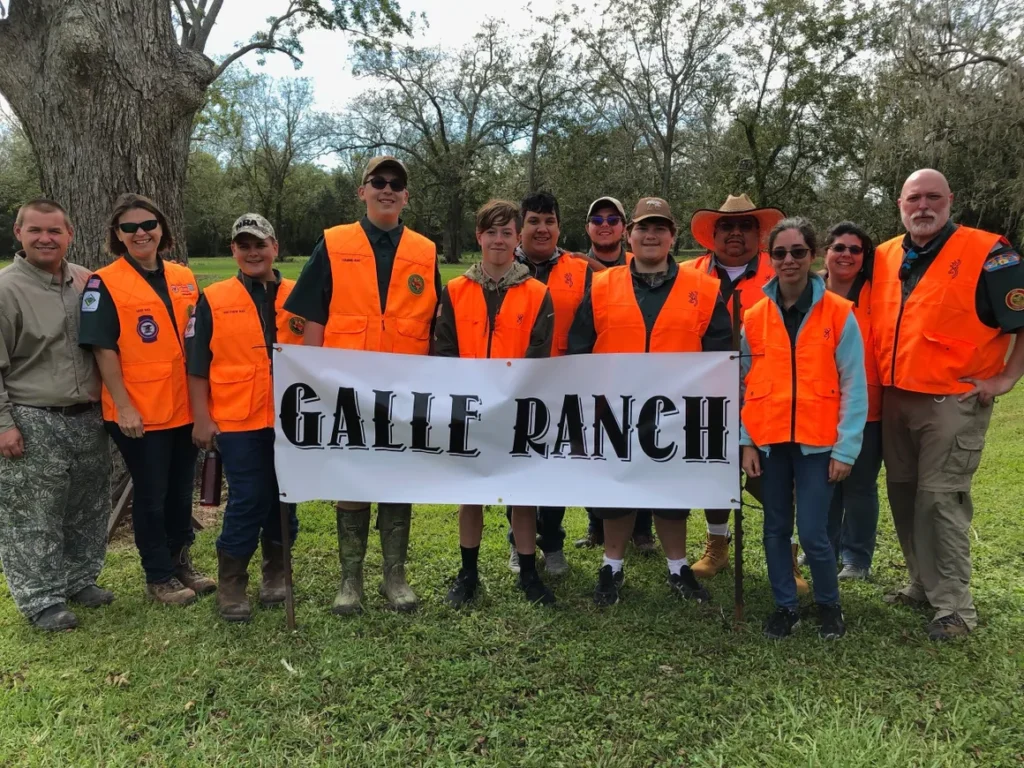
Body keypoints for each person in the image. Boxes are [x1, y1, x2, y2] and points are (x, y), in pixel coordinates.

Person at [284, 156, 441, 615]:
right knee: (351, 478)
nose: (387, 189)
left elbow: (431, 323)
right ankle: (349, 581)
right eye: (379, 182)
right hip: (345, 387)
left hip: (405, 389)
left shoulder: (425, 250)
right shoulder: (334, 243)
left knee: (396, 479)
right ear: (363, 191)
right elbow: (313, 312)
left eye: (396, 184)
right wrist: (314, 374)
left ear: (406, 195)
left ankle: (395, 576)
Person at [873, 168, 1024, 641]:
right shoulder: (885, 254)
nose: (923, 206)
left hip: (950, 401)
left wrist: (1007, 377)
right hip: (895, 396)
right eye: (913, 198)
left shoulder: (990, 252)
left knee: (940, 500)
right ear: (900, 204)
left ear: (949, 200)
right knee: (902, 493)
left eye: (932, 197)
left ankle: (955, 607)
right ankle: (922, 583)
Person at [567, 197, 733, 606]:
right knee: (617, 496)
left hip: (678, 414)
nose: (651, 235)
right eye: (643, 227)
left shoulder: (704, 288)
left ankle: (678, 569)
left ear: (673, 236)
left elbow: (720, 355)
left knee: (671, 496)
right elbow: (579, 346)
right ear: (629, 234)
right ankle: (612, 566)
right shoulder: (602, 285)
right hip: (614, 413)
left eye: (660, 228)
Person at [79, 193, 214, 606]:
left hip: (182, 407)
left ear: (162, 229)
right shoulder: (103, 283)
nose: (141, 233)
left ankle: (181, 562)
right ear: (117, 236)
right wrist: (123, 407)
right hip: (139, 412)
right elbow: (103, 349)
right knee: (152, 495)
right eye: (129, 228)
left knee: (178, 492)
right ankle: (158, 576)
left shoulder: (183, 276)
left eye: (148, 225)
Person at [740, 218, 867, 640]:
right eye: (780, 253)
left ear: (812, 255)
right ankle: (785, 606)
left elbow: (853, 384)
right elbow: (744, 385)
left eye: (797, 251)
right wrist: (747, 442)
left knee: (813, 532)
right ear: (770, 258)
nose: (789, 260)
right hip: (771, 444)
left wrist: (846, 449)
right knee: (774, 528)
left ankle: (829, 605)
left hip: (818, 444)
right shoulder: (754, 317)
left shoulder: (839, 313)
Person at [433, 200, 556, 607]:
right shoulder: (455, 290)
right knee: (471, 496)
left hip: (518, 412)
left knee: (522, 496)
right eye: (492, 232)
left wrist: (512, 399)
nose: (499, 240)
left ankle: (528, 571)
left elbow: (541, 357)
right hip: (469, 412)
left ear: (517, 238)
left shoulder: (538, 292)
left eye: (507, 232)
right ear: (478, 237)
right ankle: (468, 573)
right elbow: (445, 351)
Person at [185, 214, 304, 622]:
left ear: (275, 246)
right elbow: (197, 364)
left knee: (284, 499)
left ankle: (276, 573)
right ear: (233, 250)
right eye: (244, 245)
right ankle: (233, 582)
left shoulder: (300, 294)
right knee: (249, 498)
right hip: (238, 421)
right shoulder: (213, 297)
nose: (253, 252)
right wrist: (202, 417)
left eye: (260, 243)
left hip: (293, 420)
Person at [0, 199, 112, 631]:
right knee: (33, 515)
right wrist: (4, 424)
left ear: (69, 235)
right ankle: (41, 599)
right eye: (35, 231)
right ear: (19, 233)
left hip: (88, 415)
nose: (45, 239)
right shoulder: (7, 290)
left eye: (54, 231)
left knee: (86, 506)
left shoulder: (88, 283)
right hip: (33, 416)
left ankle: (79, 579)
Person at [683, 194, 787, 583]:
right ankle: (717, 546)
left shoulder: (780, 271)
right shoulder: (688, 273)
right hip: (706, 392)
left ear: (759, 234)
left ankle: (787, 556)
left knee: (776, 478)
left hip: (767, 392)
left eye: (746, 226)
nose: (736, 233)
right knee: (715, 473)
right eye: (727, 226)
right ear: (713, 233)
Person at [504, 191, 593, 576]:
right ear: (521, 227)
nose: (542, 229)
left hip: (565, 388)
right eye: (534, 221)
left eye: (549, 221)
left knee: (557, 469)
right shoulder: (500, 265)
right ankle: (517, 542)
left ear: (559, 226)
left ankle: (553, 542)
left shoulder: (584, 269)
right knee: (515, 468)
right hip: (512, 386)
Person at [574, 196, 654, 554]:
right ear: (588, 226)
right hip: (597, 377)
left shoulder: (644, 264)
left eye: (613, 219)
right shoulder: (571, 267)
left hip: (646, 380)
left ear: (625, 228)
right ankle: (597, 527)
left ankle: (642, 530)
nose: (604, 224)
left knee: (644, 453)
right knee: (599, 457)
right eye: (597, 218)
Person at [821, 222, 883, 580]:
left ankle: (857, 558)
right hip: (818, 407)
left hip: (867, 406)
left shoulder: (879, 294)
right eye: (838, 247)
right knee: (824, 483)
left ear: (864, 258)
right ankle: (823, 547)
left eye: (855, 250)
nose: (845, 255)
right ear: (824, 252)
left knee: (859, 485)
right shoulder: (810, 290)